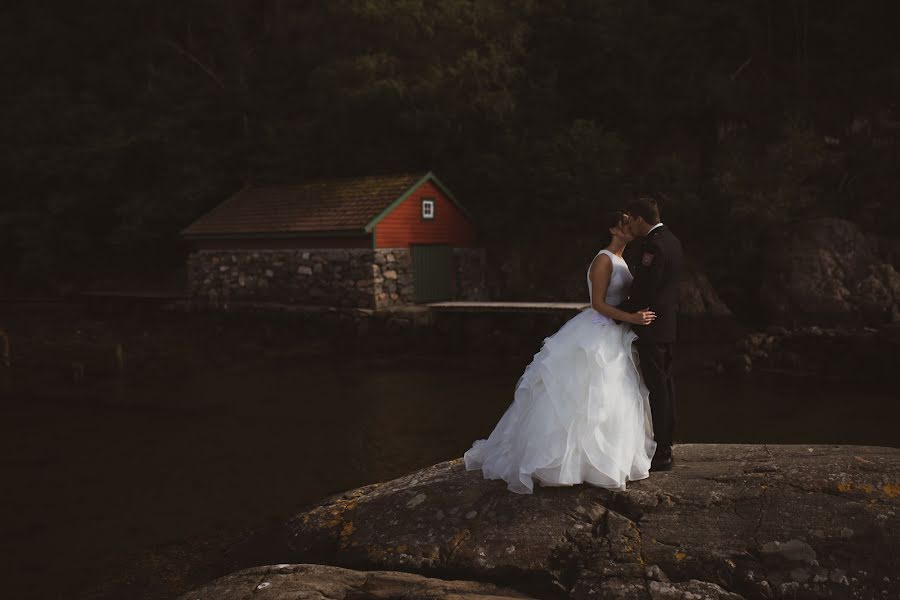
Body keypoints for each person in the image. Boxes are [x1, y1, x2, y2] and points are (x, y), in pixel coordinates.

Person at [464, 212, 658, 494]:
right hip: (598, 329)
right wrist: (632, 318)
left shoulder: (621, 260)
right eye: (624, 223)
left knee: (612, 395)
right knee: (582, 395)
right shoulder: (603, 259)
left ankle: (604, 461)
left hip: (614, 332)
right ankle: (564, 464)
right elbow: (598, 304)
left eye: (630, 223)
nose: (629, 228)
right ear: (612, 229)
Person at [618, 197, 684, 472]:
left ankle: (663, 452)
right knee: (665, 387)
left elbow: (646, 288)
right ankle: (667, 444)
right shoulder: (673, 240)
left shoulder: (655, 246)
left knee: (658, 390)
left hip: (651, 327)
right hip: (666, 326)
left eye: (631, 219)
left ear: (640, 219)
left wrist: (618, 312)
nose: (629, 224)